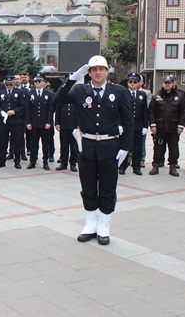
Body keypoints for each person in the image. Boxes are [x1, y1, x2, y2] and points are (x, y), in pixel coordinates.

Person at [54, 55, 133, 246]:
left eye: (101, 69)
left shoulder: (120, 91)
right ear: (88, 73)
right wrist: (72, 79)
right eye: (94, 69)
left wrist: (126, 148)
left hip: (110, 146)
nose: (98, 73)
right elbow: (58, 99)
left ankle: (104, 226)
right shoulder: (80, 90)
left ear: (107, 71)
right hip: (87, 145)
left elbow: (129, 122)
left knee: (107, 187)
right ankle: (90, 224)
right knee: (88, 186)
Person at [148, 75, 185, 176]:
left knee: (173, 148)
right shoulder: (157, 96)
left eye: (169, 83)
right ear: (163, 83)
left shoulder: (179, 96)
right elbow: (151, 111)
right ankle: (156, 165)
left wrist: (180, 126)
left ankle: (173, 167)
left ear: (173, 84)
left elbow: (183, 112)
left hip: (173, 127)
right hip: (160, 127)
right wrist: (152, 125)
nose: (167, 84)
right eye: (165, 82)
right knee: (158, 148)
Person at [119, 73, 149, 176]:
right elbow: (119, 111)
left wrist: (145, 126)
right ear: (127, 83)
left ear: (138, 83)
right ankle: (122, 166)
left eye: (135, 82)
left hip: (138, 124)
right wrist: (119, 124)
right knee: (125, 145)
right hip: (126, 125)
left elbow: (145, 111)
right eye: (130, 81)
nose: (132, 83)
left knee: (137, 147)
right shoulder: (123, 93)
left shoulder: (142, 95)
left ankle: (136, 166)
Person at [25, 74, 54, 170]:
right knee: (34, 144)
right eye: (36, 81)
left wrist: (49, 122)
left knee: (45, 144)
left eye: (39, 81)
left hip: (44, 124)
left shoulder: (48, 94)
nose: (37, 83)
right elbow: (27, 109)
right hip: (33, 124)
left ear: (43, 82)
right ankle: (32, 162)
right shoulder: (30, 94)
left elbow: (50, 109)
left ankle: (45, 162)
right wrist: (28, 122)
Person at [0, 76, 25, 169]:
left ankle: (17, 161)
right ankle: (2, 160)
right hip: (3, 121)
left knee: (16, 141)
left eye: (10, 84)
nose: (9, 86)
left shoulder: (19, 92)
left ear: (13, 84)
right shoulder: (0, 93)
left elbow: (22, 105)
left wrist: (14, 111)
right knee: (2, 141)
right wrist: (1, 112)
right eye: (7, 84)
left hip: (15, 120)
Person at [55, 86, 79, 172]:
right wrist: (57, 123)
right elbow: (58, 110)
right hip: (63, 124)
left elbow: (80, 111)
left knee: (74, 146)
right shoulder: (62, 96)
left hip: (74, 125)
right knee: (64, 145)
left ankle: (73, 163)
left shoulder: (77, 96)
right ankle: (63, 163)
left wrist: (79, 124)